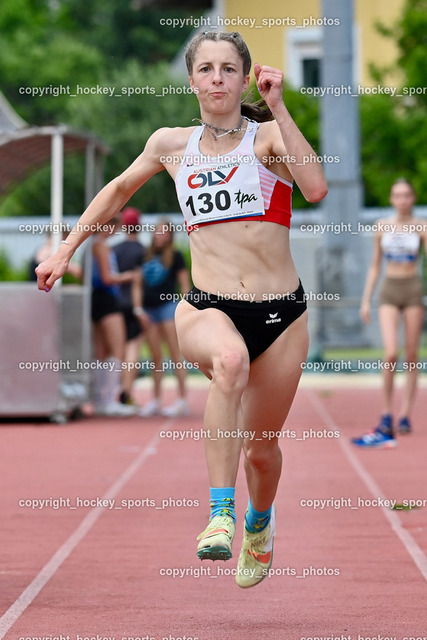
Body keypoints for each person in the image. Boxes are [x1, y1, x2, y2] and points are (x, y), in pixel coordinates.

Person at [36, 31, 327, 588]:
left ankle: (258, 523)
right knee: (229, 362)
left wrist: (280, 106)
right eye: (207, 69)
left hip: (281, 316)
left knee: (262, 452)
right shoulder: (172, 144)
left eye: (228, 69)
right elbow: (119, 189)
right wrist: (66, 248)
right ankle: (220, 514)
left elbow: (314, 187)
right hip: (208, 305)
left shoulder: (268, 138)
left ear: (245, 79)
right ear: (192, 80)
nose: (217, 78)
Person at [353, 178, 426, 447]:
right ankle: (386, 412)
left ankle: (405, 413)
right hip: (389, 291)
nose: (402, 199)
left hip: (413, 289)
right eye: (397, 195)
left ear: (413, 198)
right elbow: (374, 265)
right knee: (391, 353)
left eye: (407, 194)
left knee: (411, 354)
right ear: (392, 199)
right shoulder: (382, 226)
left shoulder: (422, 227)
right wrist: (365, 299)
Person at [134, 219, 191, 418]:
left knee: (176, 354)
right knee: (155, 357)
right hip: (149, 310)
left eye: (164, 232)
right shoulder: (145, 255)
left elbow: (184, 284)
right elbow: (137, 285)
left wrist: (187, 309)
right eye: (158, 232)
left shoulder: (176, 256)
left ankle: (182, 399)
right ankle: (156, 400)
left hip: (168, 308)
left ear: (170, 236)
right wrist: (138, 309)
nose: (160, 235)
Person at [90, 219, 138, 417]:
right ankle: (108, 400)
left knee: (102, 350)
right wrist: (129, 276)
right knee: (118, 348)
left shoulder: (93, 245)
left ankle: (100, 399)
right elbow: (107, 278)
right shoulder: (100, 246)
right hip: (107, 300)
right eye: (115, 227)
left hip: (97, 299)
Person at [112, 207, 146, 405]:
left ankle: (112, 391)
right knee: (133, 348)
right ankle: (126, 392)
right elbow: (140, 282)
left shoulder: (115, 249)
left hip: (116, 304)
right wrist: (139, 308)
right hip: (134, 304)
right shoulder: (143, 251)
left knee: (118, 350)